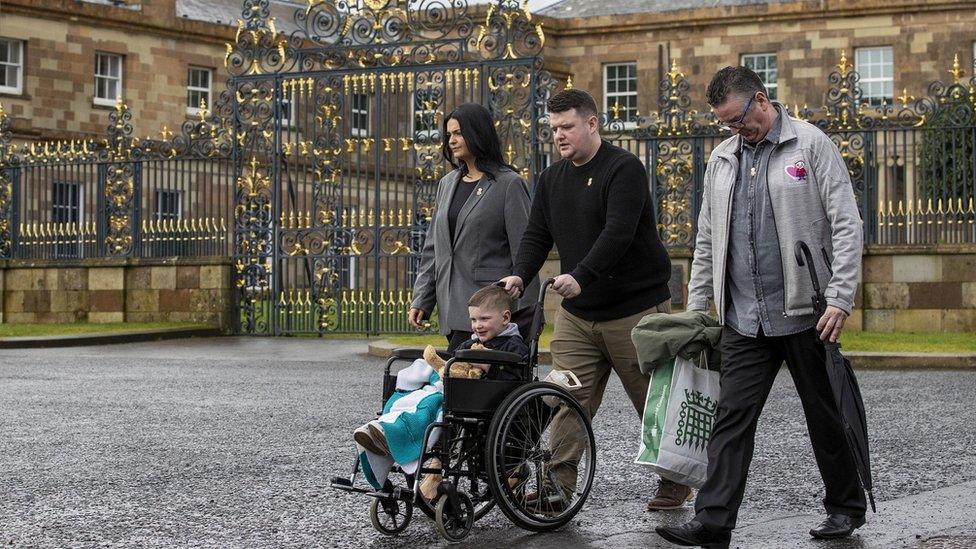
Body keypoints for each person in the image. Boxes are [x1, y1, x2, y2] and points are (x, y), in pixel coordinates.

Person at [655, 66, 865, 548]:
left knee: (825, 413)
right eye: (725, 124)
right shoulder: (723, 159)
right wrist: (698, 306)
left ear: (762, 100)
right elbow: (707, 236)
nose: (734, 130)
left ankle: (846, 508)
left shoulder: (811, 145)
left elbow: (847, 224)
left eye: (738, 119)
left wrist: (840, 295)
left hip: (806, 312)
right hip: (743, 316)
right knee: (731, 416)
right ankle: (712, 522)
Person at [499, 88, 689, 512]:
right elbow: (536, 236)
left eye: (567, 127)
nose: (559, 136)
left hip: (636, 311)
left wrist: (581, 276)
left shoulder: (624, 169)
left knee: (652, 401)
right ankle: (556, 485)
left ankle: (676, 480)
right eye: (553, 129)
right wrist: (521, 274)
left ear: (592, 123)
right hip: (579, 315)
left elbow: (618, 233)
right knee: (566, 399)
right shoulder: (551, 179)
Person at [353, 284, 529, 498]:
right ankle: (386, 431)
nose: (478, 326)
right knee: (414, 398)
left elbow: (517, 381)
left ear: (505, 317)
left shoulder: (514, 346)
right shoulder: (468, 343)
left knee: (433, 406)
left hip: (484, 402)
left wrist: (490, 367)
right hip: (455, 395)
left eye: (484, 319)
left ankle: (393, 435)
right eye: (473, 320)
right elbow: (448, 368)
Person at [410, 103, 539, 352]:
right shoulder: (447, 184)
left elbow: (526, 250)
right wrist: (422, 299)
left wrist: (530, 315)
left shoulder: (508, 184)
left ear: (477, 133)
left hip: (489, 311)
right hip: (452, 308)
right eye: (449, 135)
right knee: (460, 382)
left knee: (467, 383)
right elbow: (433, 249)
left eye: (458, 133)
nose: (451, 141)